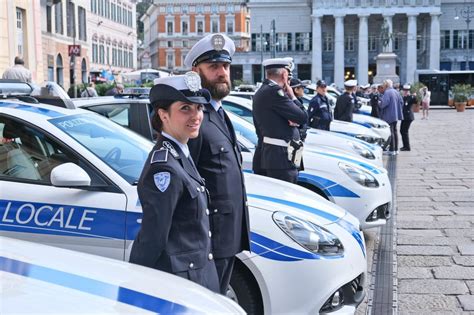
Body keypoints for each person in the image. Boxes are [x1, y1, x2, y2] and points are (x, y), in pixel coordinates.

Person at [129, 72, 219, 293]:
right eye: (185, 108)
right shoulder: (164, 167)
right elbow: (153, 238)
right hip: (180, 284)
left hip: (195, 276)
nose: (196, 115)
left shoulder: (181, 153)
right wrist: (135, 288)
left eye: (198, 108)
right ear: (164, 115)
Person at [183, 33, 250, 295]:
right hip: (209, 238)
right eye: (213, 67)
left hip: (227, 235)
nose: (222, 73)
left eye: (225, 66)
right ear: (195, 72)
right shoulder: (194, 117)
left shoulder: (220, 113)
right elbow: (188, 181)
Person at [252, 57, 308, 184]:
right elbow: (303, 117)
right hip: (281, 159)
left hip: (278, 156)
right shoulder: (274, 92)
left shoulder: (264, 90)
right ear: (284, 74)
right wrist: (293, 97)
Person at [379, 79, 403, 155]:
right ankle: (396, 149)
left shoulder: (387, 92)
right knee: (395, 131)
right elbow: (401, 102)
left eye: (383, 85)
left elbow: (384, 104)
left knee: (391, 132)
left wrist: (379, 103)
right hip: (395, 114)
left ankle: (392, 149)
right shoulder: (396, 92)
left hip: (389, 115)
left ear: (386, 85)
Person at [400, 84, 416, 151]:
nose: (405, 91)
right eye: (404, 90)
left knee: (404, 131)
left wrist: (412, 95)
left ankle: (407, 147)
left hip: (408, 117)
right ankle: (405, 145)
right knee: (402, 131)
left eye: (407, 90)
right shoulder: (404, 97)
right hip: (404, 117)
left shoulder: (410, 97)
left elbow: (415, 100)